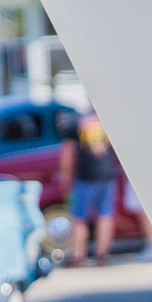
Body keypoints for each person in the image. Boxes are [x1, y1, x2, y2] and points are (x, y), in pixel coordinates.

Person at [59, 112, 120, 266]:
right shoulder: (109, 118)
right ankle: (102, 254)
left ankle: (79, 256)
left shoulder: (77, 120)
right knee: (105, 215)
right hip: (107, 174)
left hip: (85, 176)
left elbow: (68, 150)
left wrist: (65, 175)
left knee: (79, 217)